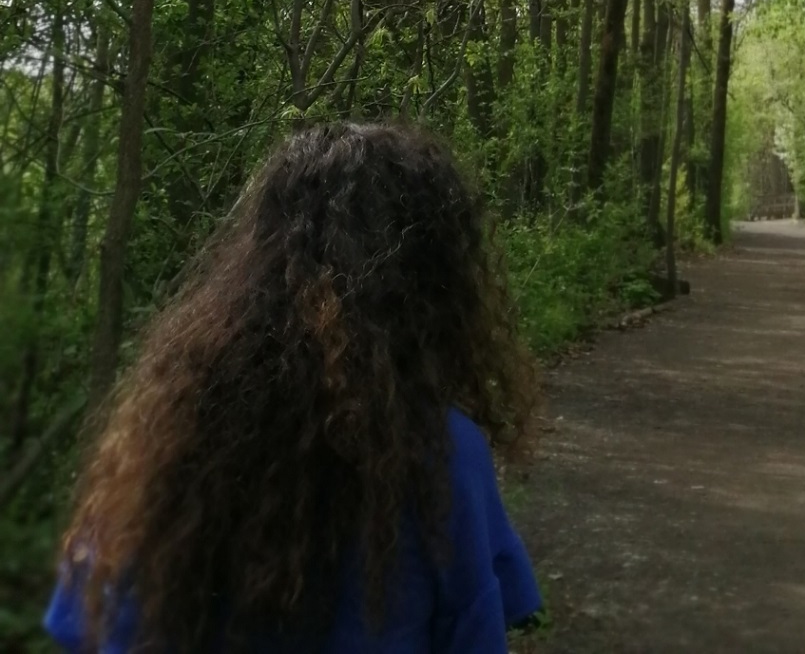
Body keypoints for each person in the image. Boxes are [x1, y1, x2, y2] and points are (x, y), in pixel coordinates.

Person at [46, 122, 542, 654]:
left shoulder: (168, 432)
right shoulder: (444, 453)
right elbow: (480, 628)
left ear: (259, 258)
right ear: (437, 285)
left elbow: (87, 622)